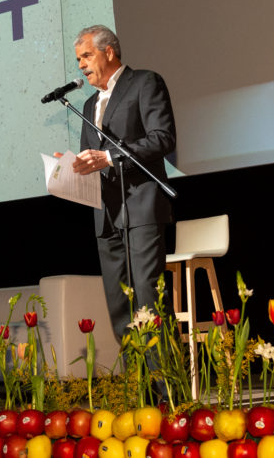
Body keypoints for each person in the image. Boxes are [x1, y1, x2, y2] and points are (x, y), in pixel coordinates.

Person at [66, 25, 176, 339]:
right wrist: (71, 165)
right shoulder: (89, 105)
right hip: (105, 214)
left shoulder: (144, 82)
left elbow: (163, 137)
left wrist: (110, 157)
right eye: (78, 60)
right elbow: (93, 157)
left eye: (86, 56)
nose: (81, 65)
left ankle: (167, 388)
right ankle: (137, 387)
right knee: (119, 307)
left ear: (109, 52)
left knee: (147, 299)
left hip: (141, 205)